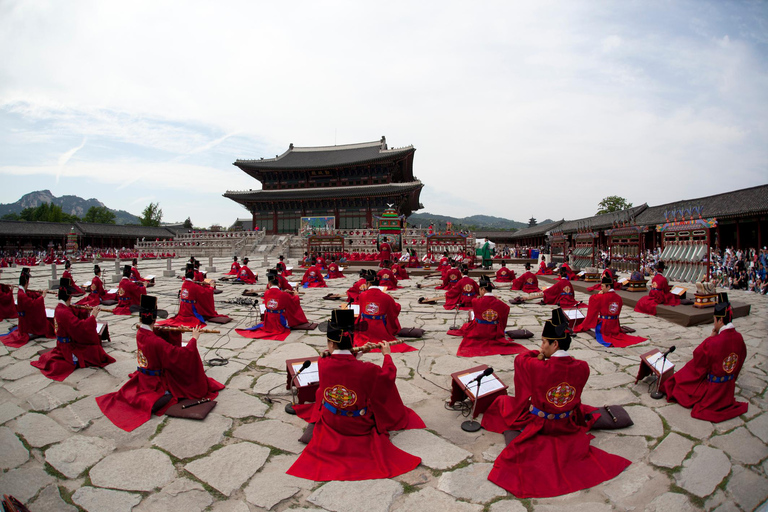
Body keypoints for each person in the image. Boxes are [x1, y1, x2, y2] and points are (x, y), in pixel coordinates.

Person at [482, 311, 631, 498]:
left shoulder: (537, 366)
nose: (541, 345)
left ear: (555, 343)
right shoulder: (582, 366)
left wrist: (538, 354)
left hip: (541, 423)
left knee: (502, 402)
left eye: (544, 341)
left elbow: (520, 359)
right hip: (566, 421)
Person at [286, 310, 422, 481]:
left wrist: (359, 352)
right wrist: (387, 354)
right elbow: (388, 376)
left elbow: (342, 361)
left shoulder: (323, 362)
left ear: (331, 344)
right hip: (358, 424)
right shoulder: (366, 370)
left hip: (331, 420)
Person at [95, 295, 225, 432]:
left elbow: (157, 339)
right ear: (155, 318)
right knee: (182, 382)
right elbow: (181, 355)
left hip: (143, 378)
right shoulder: (155, 341)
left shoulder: (141, 332)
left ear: (141, 318)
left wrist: (174, 333)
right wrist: (193, 339)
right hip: (155, 383)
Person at [660, 293, 748, 422]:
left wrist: (710, 338)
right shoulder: (739, 338)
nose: (714, 323)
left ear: (720, 320)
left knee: (679, 381)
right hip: (728, 387)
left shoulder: (713, 342)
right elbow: (741, 360)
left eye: (714, 320)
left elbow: (698, 360)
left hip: (713, 390)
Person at [31, 278, 115, 381]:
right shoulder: (63, 312)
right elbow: (79, 326)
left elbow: (73, 313)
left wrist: (84, 311)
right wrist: (92, 317)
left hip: (65, 343)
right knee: (95, 352)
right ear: (69, 297)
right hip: (68, 347)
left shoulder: (60, 307)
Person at [455, 277, 526, 357]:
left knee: (466, 327)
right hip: (494, 332)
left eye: (479, 289)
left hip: (479, 331)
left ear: (483, 290)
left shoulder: (475, 301)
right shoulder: (502, 305)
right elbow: (503, 319)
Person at [574, 275, 647, 347]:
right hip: (615, 324)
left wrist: (598, 294)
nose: (601, 288)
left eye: (603, 286)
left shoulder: (600, 297)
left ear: (608, 287)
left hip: (605, 325)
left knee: (596, 328)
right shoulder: (619, 298)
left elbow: (592, 300)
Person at [236, 274, 309, 341]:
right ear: (279, 284)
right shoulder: (283, 294)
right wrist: (295, 295)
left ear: (269, 284)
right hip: (279, 319)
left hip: (268, 318)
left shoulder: (266, 293)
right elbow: (294, 301)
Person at [353, 275, 413, 352]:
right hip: (380, 326)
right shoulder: (386, 297)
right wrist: (392, 299)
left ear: (369, 284)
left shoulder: (362, 295)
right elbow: (394, 309)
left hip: (365, 326)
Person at [1, 268, 54, 347]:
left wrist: (38, 294)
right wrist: (42, 297)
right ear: (26, 283)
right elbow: (33, 304)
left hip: (26, 318)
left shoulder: (21, 291)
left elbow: (29, 295)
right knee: (48, 326)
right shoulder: (21, 294)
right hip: (26, 322)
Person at [159, 267, 227, 328]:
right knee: (199, 315)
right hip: (190, 309)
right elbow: (206, 293)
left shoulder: (184, 284)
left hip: (183, 307)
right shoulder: (194, 286)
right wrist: (211, 287)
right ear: (193, 277)